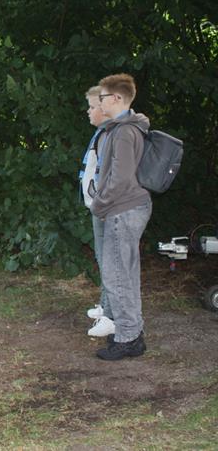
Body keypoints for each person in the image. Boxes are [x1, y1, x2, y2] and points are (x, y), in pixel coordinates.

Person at [90, 73, 152, 361]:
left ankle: (127, 338)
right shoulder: (125, 128)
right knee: (125, 274)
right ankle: (133, 333)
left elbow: (121, 178)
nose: (99, 102)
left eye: (102, 97)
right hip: (127, 207)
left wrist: (100, 204)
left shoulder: (125, 132)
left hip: (122, 209)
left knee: (117, 276)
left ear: (116, 98)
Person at [80, 86, 114, 338]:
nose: (89, 111)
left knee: (109, 261)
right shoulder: (100, 134)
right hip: (97, 205)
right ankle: (105, 304)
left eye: (92, 107)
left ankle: (111, 316)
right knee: (103, 259)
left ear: (105, 109)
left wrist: (101, 203)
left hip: (105, 207)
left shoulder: (111, 136)